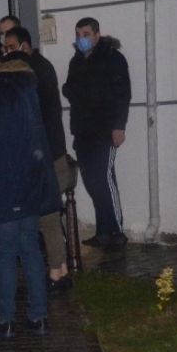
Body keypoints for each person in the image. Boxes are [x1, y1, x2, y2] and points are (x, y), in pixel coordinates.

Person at [0, 45, 60, 338]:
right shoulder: (24, 86)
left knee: (5, 253)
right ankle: (39, 317)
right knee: (30, 249)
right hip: (28, 180)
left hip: (1, 182)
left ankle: (5, 320)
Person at [3, 26, 72, 294]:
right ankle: (61, 269)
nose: (7, 53)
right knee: (49, 216)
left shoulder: (31, 70)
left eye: (10, 47)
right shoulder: (42, 66)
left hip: (45, 155)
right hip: (50, 152)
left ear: (25, 46)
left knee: (46, 217)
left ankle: (56, 271)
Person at [62, 17, 131, 250]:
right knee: (92, 182)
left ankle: (116, 231)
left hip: (105, 129)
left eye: (86, 34)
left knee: (103, 179)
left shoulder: (113, 58)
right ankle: (103, 232)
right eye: (78, 34)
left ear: (97, 35)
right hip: (83, 130)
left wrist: (119, 126)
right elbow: (70, 89)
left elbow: (123, 94)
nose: (81, 39)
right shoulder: (77, 61)